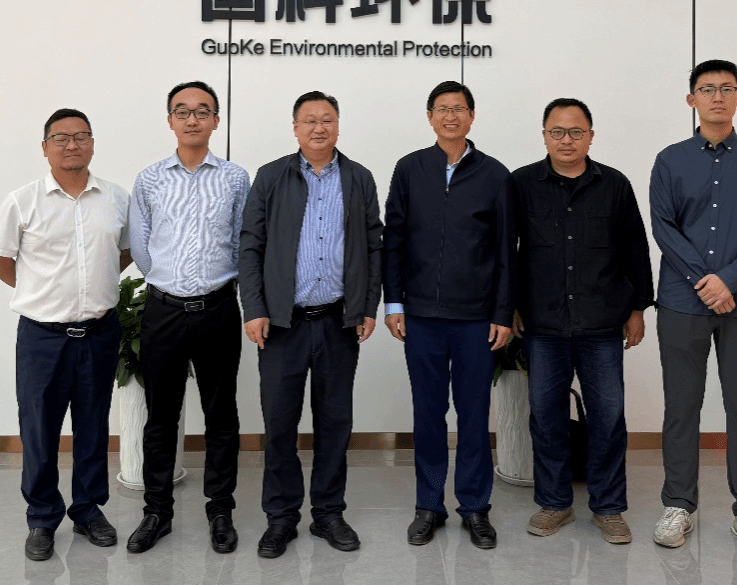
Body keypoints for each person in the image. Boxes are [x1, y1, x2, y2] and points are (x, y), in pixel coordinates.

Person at [649, 59, 737, 556]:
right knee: (681, 406)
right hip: (681, 303)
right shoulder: (669, 160)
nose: (717, 97)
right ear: (692, 100)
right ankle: (678, 505)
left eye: (727, 89)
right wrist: (704, 282)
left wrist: (729, 280)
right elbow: (663, 227)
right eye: (707, 89)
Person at [238, 91, 383, 558]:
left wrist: (368, 306)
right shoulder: (271, 176)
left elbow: (374, 246)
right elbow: (250, 245)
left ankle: (328, 514)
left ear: (338, 125)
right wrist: (254, 308)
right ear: (295, 128)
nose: (319, 128)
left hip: (339, 322)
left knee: (335, 423)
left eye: (327, 119)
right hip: (283, 324)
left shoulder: (359, 178)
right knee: (279, 424)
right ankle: (281, 517)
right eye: (309, 120)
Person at [0, 108, 131, 562]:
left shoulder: (116, 198)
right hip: (42, 338)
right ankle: (42, 518)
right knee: (40, 430)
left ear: (92, 143)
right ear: (45, 147)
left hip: (100, 332)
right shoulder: (22, 201)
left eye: (81, 136)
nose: (72, 144)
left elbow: (125, 252)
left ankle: (88, 511)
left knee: (93, 425)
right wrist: (39, 292)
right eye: (61, 137)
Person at [511, 98, 653, 545]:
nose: (567, 140)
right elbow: (506, 250)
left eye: (576, 132)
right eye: (557, 132)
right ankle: (554, 503)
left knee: (608, 418)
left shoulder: (615, 185)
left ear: (591, 136)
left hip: (601, 323)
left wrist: (638, 309)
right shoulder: (521, 184)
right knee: (546, 417)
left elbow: (635, 249)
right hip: (543, 324)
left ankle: (608, 508)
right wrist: (509, 305)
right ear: (544, 136)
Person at [383, 80, 516, 550]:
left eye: (459, 108)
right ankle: (428, 506)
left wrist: (503, 312)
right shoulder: (410, 168)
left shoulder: (495, 174)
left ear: (472, 117)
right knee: (428, 414)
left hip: (476, 317)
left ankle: (475, 508)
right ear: (429, 116)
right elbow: (394, 238)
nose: (450, 116)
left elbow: (507, 250)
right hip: (421, 315)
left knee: (474, 416)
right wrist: (394, 302)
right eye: (442, 108)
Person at [125, 81, 249, 555]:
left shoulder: (235, 178)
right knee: (160, 416)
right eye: (182, 111)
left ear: (216, 120)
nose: (192, 119)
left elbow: (243, 242)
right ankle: (157, 511)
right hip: (164, 311)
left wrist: (218, 284)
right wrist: (170, 282)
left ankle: (220, 510)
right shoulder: (149, 179)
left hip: (218, 309)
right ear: (170, 120)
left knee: (221, 415)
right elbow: (142, 248)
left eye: (202, 111)